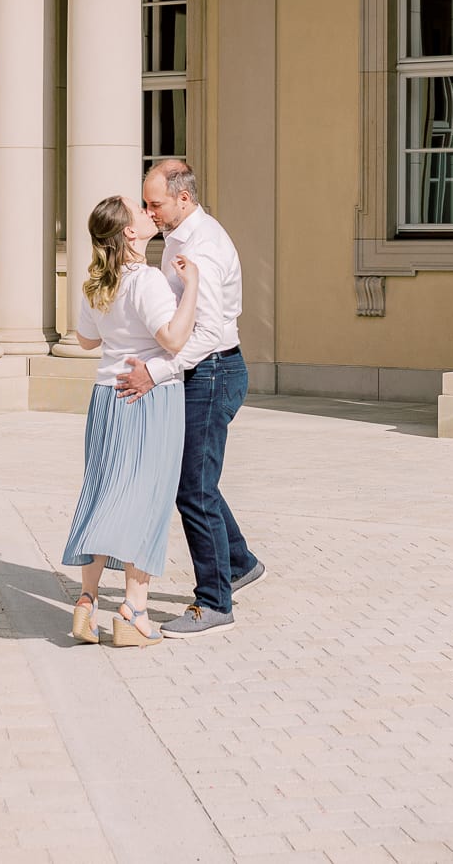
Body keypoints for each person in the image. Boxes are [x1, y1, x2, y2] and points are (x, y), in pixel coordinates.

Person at [116, 158, 265, 637]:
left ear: (184, 198)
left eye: (154, 203)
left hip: (213, 372)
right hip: (203, 372)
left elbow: (206, 333)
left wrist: (155, 373)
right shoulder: (177, 236)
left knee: (193, 490)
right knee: (197, 482)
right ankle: (237, 563)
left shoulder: (204, 248)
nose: (148, 211)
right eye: (145, 203)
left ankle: (214, 602)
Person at [61, 194, 200, 647]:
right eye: (139, 211)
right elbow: (174, 339)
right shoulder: (148, 282)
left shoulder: (97, 283)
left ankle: (87, 600)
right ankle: (134, 610)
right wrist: (192, 286)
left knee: (102, 493)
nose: (147, 213)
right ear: (130, 233)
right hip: (150, 398)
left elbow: (85, 340)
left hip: (105, 396)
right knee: (148, 501)